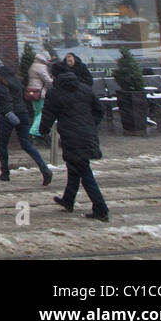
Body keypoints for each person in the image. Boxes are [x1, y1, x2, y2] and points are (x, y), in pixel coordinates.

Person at [40, 59, 110, 222]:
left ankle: (101, 208)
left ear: (54, 76)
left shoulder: (55, 93)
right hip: (86, 134)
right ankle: (68, 199)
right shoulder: (84, 89)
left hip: (71, 136)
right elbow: (99, 109)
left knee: (84, 171)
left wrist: (43, 130)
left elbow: (48, 114)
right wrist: (90, 124)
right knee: (75, 167)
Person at [0, 57, 52, 185]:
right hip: (23, 113)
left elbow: (6, 100)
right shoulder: (15, 79)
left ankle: (5, 173)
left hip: (9, 115)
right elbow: (17, 96)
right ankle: (44, 168)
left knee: (3, 145)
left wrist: (9, 113)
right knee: (26, 145)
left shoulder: (2, 83)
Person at [27, 49, 53, 137]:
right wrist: (54, 81)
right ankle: (34, 131)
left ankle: (34, 134)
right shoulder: (41, 67)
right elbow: (48, 80)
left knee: (37, 113)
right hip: (40, 93)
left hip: (33, 92)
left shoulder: (33, 65)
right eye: (48, 59)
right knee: (41, 112)